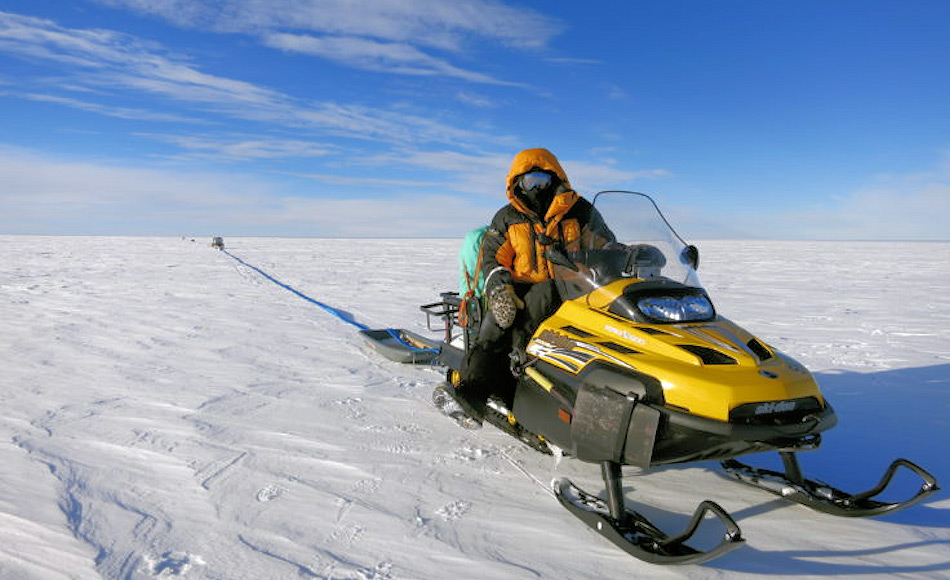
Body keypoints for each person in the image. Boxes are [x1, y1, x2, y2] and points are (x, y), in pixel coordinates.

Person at [459, 147, 614, 418]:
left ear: (556, 178)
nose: (537, 188)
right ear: (517, 183)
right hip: (523, 287)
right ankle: (476, 387)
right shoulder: (507, 217)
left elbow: (604, 242)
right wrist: (499, 289)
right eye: (529, 181)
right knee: (502, 322)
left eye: (542, 180)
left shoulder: (580, 209)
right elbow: (494, 259)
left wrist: (628, 254)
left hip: (577, 286)